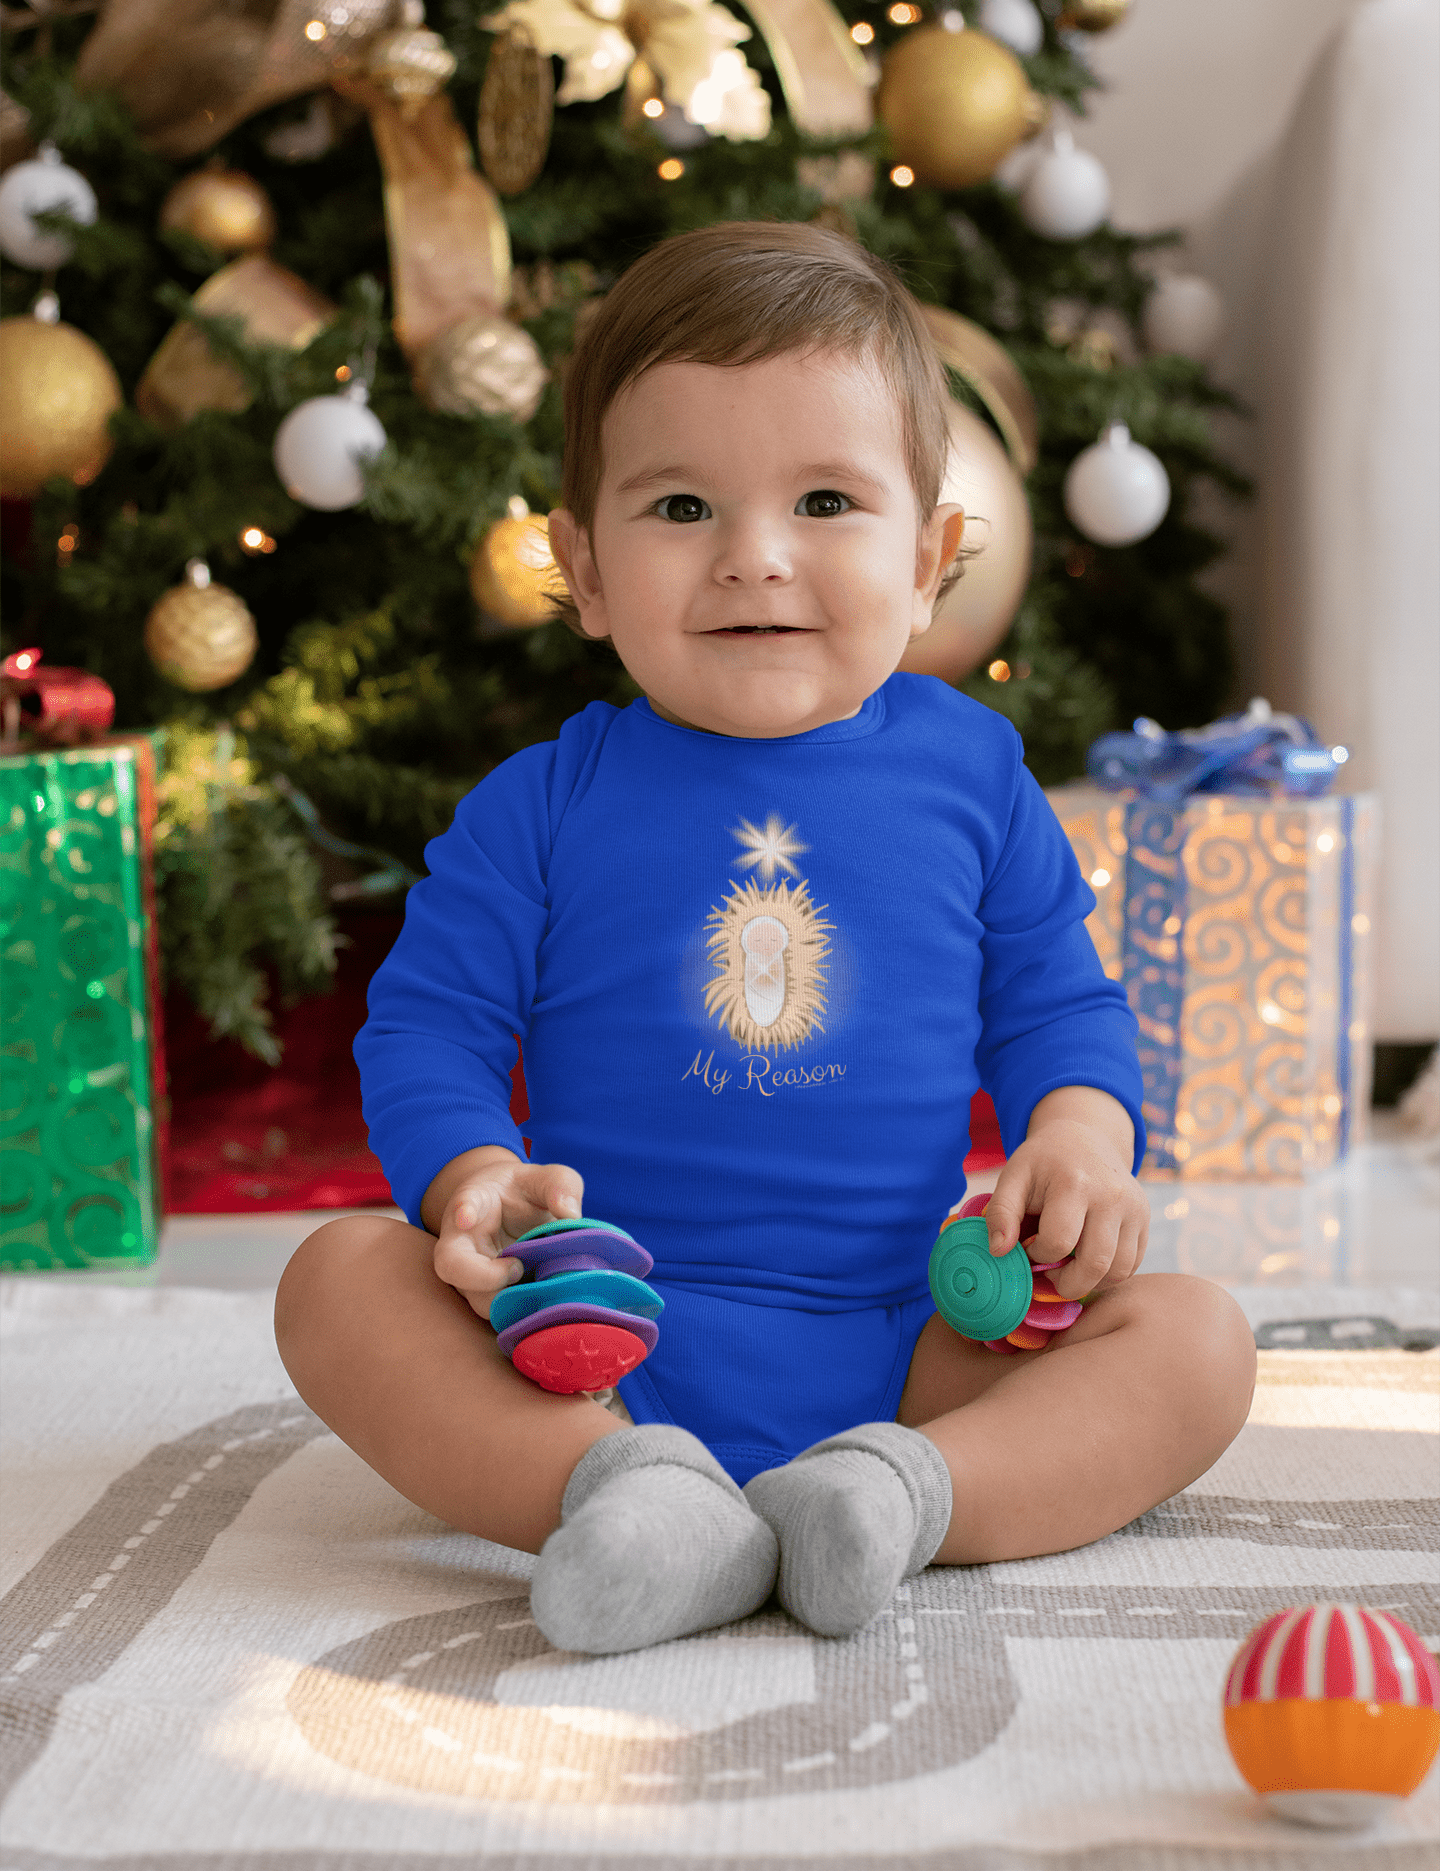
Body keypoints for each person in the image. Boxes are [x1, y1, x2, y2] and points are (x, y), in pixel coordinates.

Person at [274, 221, 1256, 1658]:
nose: (754, 558)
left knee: (1201, 1342)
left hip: (914, 1336)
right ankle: (633, 1496)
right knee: (337, 1282)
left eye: (823, 501)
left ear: (928, 560)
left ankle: (895, 1495)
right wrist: (476, 1180)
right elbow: (429, 1027)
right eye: (679, 508)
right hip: (589, 1337)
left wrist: (1081, 1139)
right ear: (583, 566)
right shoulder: (541, 804)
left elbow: (1063, 1007)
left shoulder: (974, 778)